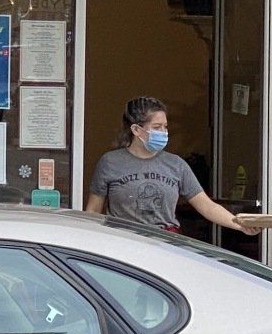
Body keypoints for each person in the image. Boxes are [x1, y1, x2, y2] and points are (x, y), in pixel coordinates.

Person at [86, 96, 256, 237]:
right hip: (122, 244)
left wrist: (238, 224)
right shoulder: (110, 162)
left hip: (165, 245)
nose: (163, 132)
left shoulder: (176, 164)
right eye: (156, 127)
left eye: (165, 127)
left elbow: (206, 205)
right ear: (136, 130)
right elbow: (93, 211)